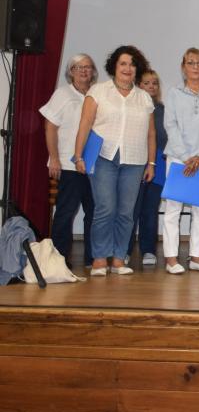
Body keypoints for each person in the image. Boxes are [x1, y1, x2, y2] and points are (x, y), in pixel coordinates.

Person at [73, 45, 156, 277]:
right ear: (114, 67)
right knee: (104, 208)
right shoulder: (98, 92)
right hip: (103, 158)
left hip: (135, 160)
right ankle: (100, 258)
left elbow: (151, 134)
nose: (128, 68)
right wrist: (78, 155)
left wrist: (151, 163)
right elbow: (85, 125)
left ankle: (119, 258)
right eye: (123, 63)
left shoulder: (144, 97)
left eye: (132, 64)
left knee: (126, 212)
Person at [161, 48, 199, 274]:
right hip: (179, 159)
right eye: (191, 62)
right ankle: (171, 259)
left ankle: (196, 257)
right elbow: (170, 125)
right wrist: (186, 157)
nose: (195, 66)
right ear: (183, 66)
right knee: (173, 209)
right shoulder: (174, 93)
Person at [40, 53, 97, 268]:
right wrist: (54, 158)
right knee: (65, 211)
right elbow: (50, 127)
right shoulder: (62, 94)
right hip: (67, 164)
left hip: (92, 165)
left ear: (93, 71)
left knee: (94, 211)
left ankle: (93, 258)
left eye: (88, 67)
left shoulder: (96, 94)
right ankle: (59, 259)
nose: (84, 71)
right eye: (79, 67)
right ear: (71, 71)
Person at [132, 68, 165, 266]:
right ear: (138, 85)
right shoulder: (132, 107)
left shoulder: (162, 110)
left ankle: (148, 250)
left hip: (158, 164)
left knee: (150, 209)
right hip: (134, 161)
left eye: (155, 83)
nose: (151, 86)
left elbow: (165, 137)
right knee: (131, 209)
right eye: (146, 83)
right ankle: (124, 251)